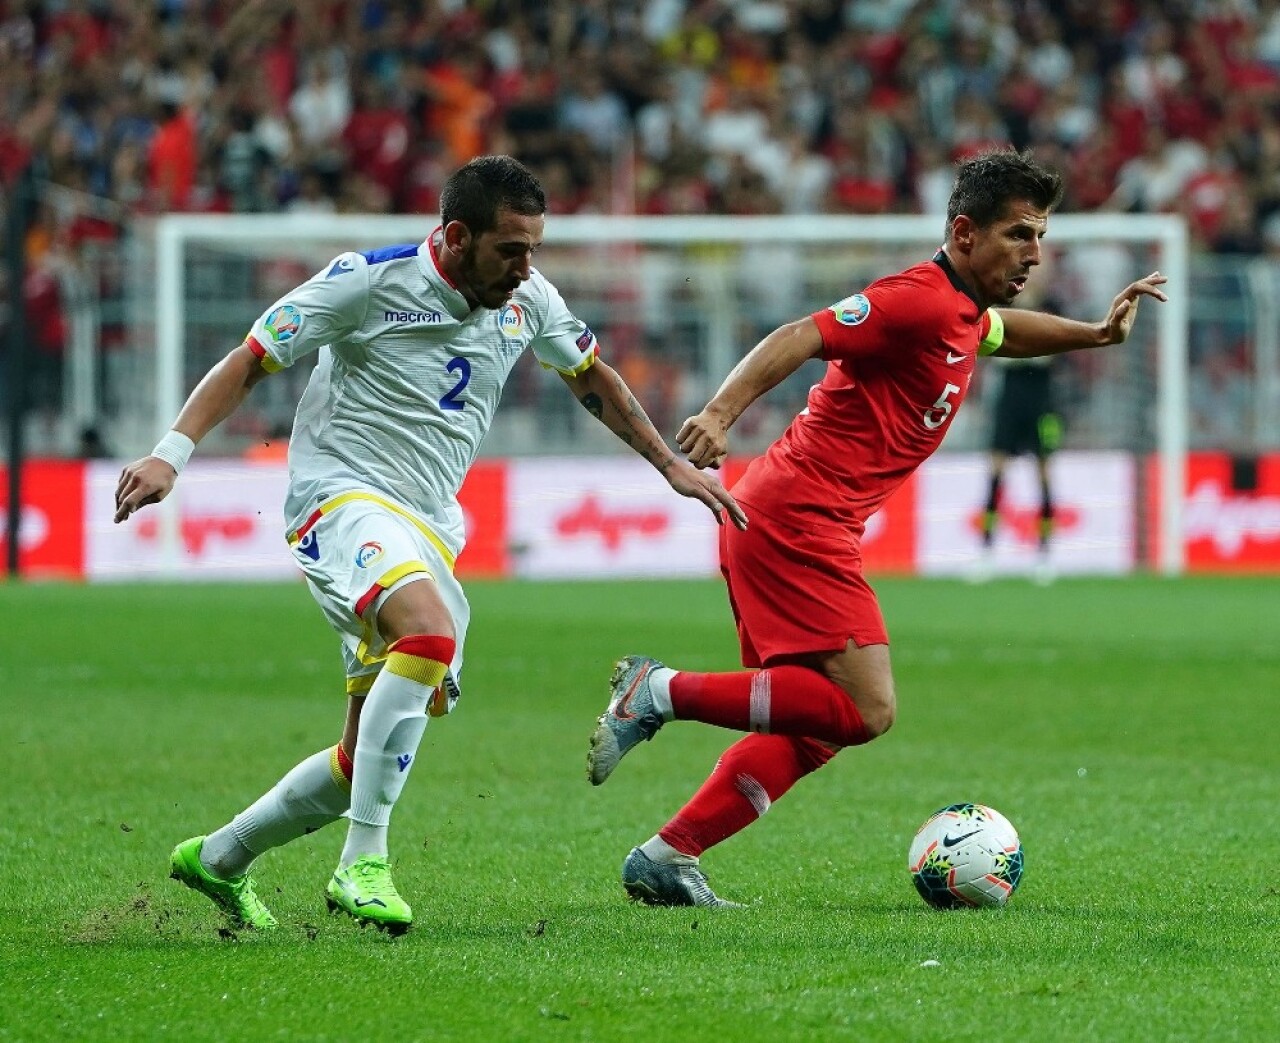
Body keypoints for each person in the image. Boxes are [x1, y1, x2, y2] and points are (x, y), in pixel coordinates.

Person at [114, 155, 746, 935]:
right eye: (510, 249)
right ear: (455, 236)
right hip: (338, 498)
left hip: (425, 526)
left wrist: (672, 466)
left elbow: (593, 377)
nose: (525, 268)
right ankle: (362, 864)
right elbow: (253, 358)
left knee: (362, 758)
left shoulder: (529, 300)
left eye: (534, 249)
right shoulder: (365, 282)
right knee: (428, 634)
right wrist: (169, 454)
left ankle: (220, 857)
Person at [585, 148, 1168, 907]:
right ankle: (656, 691)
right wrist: (721, 413)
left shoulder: (961, 313)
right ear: (963, 232)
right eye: (1018, 235)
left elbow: (1002, 333)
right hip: (798, 514)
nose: (1034, 254)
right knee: (868, 708)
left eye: (1040, 237)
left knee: (816, 723)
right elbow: (801, 333)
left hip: (789, 517)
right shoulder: (917, 301)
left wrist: (1094, 334)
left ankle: (669, 855)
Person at [975, 350, 1061, 584]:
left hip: (1042, 405)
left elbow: (1054, 354)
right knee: (996, 474)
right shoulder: (1004, 312)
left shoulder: (1053, 311)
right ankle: (986, 551)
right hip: (1009, 403)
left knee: (1044, 477)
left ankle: (1044, 554)